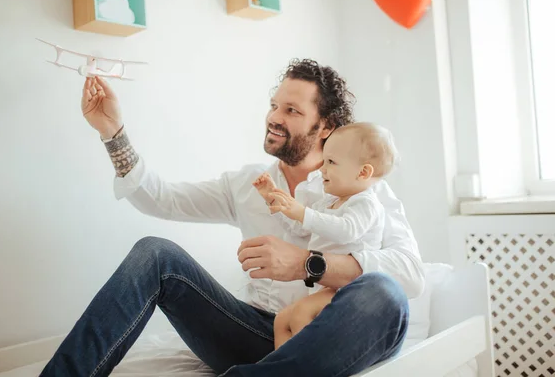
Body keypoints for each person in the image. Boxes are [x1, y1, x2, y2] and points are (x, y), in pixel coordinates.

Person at [39, 59, 424, 377]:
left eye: (291, 111)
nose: (274, 117)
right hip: (252, 331)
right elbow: (160, 199)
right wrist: (113, 132)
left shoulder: (365, 189)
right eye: (274, 105)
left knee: (386, 295)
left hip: (323, 336)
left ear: (325, 127)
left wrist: (307, 264)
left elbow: (410, 273)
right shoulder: (245, 184)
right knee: (154, 254)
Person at [252, 121, 400, 349]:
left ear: (363, 172)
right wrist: (274, 199)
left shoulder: (366, 203)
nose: (322, 169)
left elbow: (346, 231)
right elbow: (300, 226)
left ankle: (306, 365)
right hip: (329, 288)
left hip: (351, 289)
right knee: (282, 319)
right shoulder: (329, 201)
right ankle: (283, 366)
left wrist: (303, 212)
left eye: (331, 162)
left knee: (301, 313)